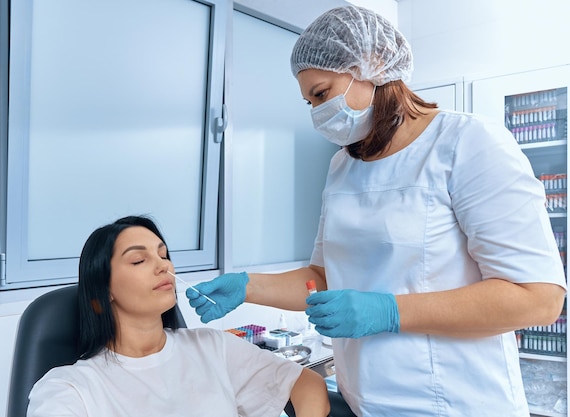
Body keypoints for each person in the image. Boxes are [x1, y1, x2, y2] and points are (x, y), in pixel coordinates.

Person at [186, 5, 567, 417]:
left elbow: (538, 297)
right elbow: (325, 276)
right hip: (365, 402)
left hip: (458, 402)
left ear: (376, 63)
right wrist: (247, 286)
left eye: (321, 93)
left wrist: (387, 311)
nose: (317, 112)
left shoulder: (468, 143)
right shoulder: (342, 166)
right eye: (309, 102)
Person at [27, 215, 330, 417]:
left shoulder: (211, 348)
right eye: (138, 260)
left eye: (163, 254)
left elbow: (307, 384)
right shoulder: (69, 388)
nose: (163, 266)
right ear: (104, 289)